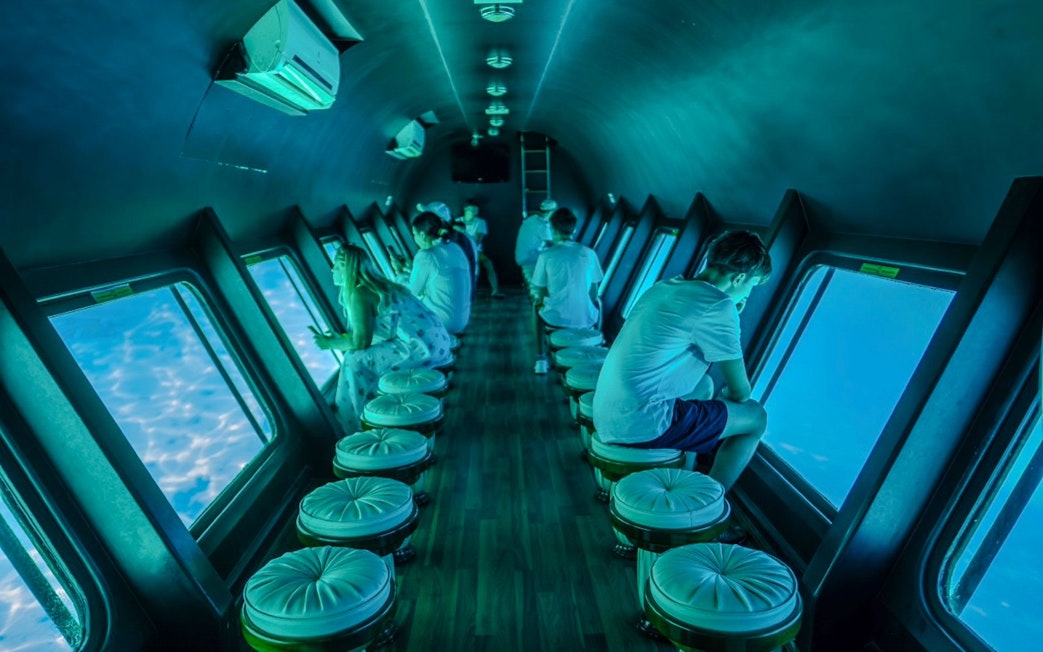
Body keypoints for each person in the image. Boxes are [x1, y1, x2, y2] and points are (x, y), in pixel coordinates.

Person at [592, 230, 772, 492]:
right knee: (756, 418)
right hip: (641, 421)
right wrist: (728, 310)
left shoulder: (663, 287)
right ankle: (707, 502)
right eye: (752, 285)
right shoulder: (718, 306)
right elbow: (741, 392)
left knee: (704, 386)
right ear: (740, 278)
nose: (749, 292)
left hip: (609, 412)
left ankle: (685, 477)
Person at [314, 245, 452, 433]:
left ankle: (357, 424)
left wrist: (328, 344)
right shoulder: (383, 284)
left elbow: (361, 342)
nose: (332, 270)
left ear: (347, 268)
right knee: (362, 356)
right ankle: (375, 410)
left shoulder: (360, 292)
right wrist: (345, 338)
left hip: (421, 349)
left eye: (336, 266)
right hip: (437, 342)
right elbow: (384, 331)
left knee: (353, 359)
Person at [530, 207, 604, 373]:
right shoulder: (589, 253)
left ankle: (540, 359)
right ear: (574, 229)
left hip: (556, 318)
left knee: (535, 307)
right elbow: (594, 293)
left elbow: (541, 293)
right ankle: (595, 341)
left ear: (552, 228)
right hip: (586, 317)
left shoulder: (546, 255)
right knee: (597, 303)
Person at [408, 211, 472, 334]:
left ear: (422, 234)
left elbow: (412, 291)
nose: (414, 238)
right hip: (462, 319)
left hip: (443, 322)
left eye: (414, 234)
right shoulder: (455, 248)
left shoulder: (425, 255)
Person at [456, 201, 504, 298]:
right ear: (465, 209)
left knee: (488, 264)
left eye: (476, 211)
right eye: (471, 210)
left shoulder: (480, 222)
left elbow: (477, 241)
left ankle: (495, 290)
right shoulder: (457, 221)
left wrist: (464, 234)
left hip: (476, 251)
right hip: (460, 252)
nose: (474, 213)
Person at [514, 198, 556, 292]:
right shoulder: (542, 225)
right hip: (530, 259)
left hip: (523, 257)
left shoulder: (531, 219)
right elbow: (552, 244)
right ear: (552, 212)